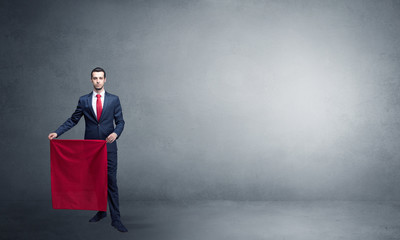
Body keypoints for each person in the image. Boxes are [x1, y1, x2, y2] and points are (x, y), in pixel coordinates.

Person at [48, 67, 127, 232]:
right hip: (90, 148)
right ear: (91, 80)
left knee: (111, 183)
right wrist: (57, 132)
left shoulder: (114, 100)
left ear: (105, 80)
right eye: (95, 78)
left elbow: (120, 122)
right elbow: (73, 120)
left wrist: (115, 133)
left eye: (100, 78)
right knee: (96, 182)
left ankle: (116, 219)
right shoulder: (83, 100)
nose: (98, 80)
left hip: (108, 147)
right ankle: (101, 212)